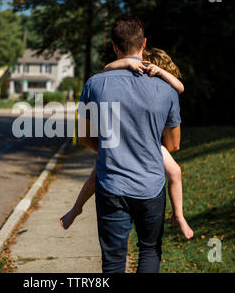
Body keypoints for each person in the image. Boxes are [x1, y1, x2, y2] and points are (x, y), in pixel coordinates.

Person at [71, 16, 182, 273]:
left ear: (114, 46)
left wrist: (114, 149)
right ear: (144, 43)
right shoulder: (166, 88)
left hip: (112, 185)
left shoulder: (94, 84)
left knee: (112, 261)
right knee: (150, 250)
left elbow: (84, 137)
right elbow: (173, 145)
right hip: (151, 186)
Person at [60, 48, 193, 240]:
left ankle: (76, 209)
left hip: (149, 145)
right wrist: (128, 63)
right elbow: (108, 68)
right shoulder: (158, 83)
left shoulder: (158, 78)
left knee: (97, 174)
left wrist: (138, 66)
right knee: (175, 172)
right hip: (150, 145)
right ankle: (179, 215)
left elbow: (179, 88)